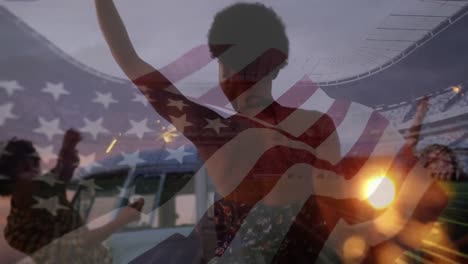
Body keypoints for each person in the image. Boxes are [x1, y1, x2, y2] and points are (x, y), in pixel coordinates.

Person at [94, 2, 447, 263]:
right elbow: (131, 62)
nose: (234, 79)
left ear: (274, 68)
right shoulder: (221, 129)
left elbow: (333, 216)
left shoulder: (306, 126)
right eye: (227, 65)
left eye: (248, 67)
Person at [0, 129, 144, 263]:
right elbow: (76, 245)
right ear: (8, 182)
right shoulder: (17, 233)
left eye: (35, 166)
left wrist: (68, 146)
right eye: (25, 169)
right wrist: (121, 220)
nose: (35, 173)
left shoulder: (45, 188)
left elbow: (63, 169)